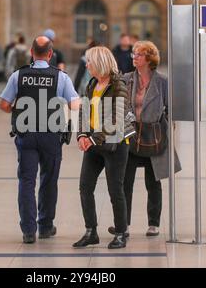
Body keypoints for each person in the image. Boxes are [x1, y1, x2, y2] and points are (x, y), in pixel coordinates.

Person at [0, 36, 79, 244]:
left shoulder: (19, 75)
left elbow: (4, 105)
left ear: (32, 53)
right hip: (51, 135)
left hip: (26, 135)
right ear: (51, 54)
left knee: (26, 181)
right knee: (49, 180)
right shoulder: (60, 77)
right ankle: (45, 226)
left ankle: (28, 230)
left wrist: (20, 106)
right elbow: (75, 104)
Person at [108, 41, 181, 238]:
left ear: (149, 58)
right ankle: (124, 224)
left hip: (153, 136)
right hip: (130, 136)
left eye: (138, 54)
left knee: (153, 181)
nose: (134, 57)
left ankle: (154, 223)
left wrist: (167, 129)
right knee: (125, 182)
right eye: (133, 54)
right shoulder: (126, 79)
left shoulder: (162, 82)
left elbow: (171, 109)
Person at [73, 46, 136, 250]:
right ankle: (91, 232)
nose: (87, 65)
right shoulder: (92, 84)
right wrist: (82, 134)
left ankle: (120, 233)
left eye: (89, 62)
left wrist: (93, 139)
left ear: (99, 62)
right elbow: (84, 110)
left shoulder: (119, 85)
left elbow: (116, 118)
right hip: (95, 142)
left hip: (115, 144)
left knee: (115, 189)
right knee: (85, 187)